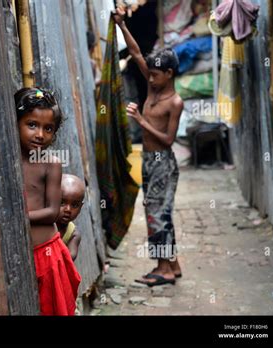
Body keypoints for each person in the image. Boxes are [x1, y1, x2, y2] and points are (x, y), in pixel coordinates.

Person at [113, 6, 184, 287]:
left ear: (169, 73)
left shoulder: (175, 102)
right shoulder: (154, 86)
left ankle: (163, 269)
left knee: (158, 214)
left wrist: (141, 121)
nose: (150, 78)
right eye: (149, 74)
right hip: (149, 160)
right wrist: (121, 25)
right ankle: (173, 265)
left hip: (163, 162)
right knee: (156, 211)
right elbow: (136, 53)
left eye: (155, 75)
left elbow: (168, 140)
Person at [14, 87, 81, 315]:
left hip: (46, 255)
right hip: (17, 255)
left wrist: (19, 219)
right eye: (32, 125)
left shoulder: (50, 163)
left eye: (48, 128)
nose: (40, 134)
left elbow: (52, 212)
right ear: (15, 123)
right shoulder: (6, 159)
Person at [56, 174, 84, 261]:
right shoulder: (43, 225)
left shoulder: (73, 234)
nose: (68, 209)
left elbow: (70, 258)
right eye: (62, 203)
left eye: (74, 205)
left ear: (80, 208)